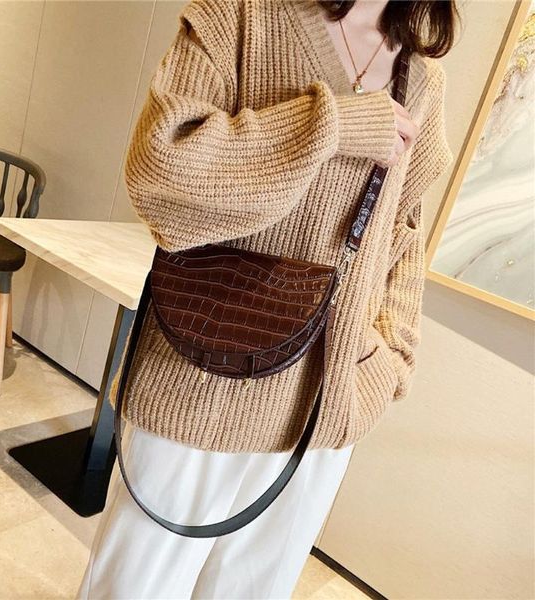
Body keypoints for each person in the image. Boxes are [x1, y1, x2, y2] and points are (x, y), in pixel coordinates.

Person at [77, 0, 458, 597]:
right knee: (133, 589)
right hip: (200, 380)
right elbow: (159, 169)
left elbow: (403, 227)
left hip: (324, 406)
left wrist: (393, 351)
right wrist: (330, 126)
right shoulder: (241, 16)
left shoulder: (422, 76)